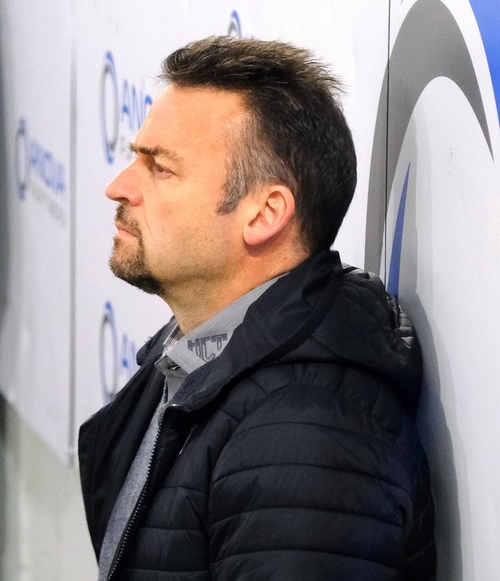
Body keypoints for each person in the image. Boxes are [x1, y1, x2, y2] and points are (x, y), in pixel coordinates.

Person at [78, 35, 435, 580]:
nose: (118, 187)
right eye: (136, 158)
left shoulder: (306, 434)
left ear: (265, 214)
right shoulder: (188, 361)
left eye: (161, 168)